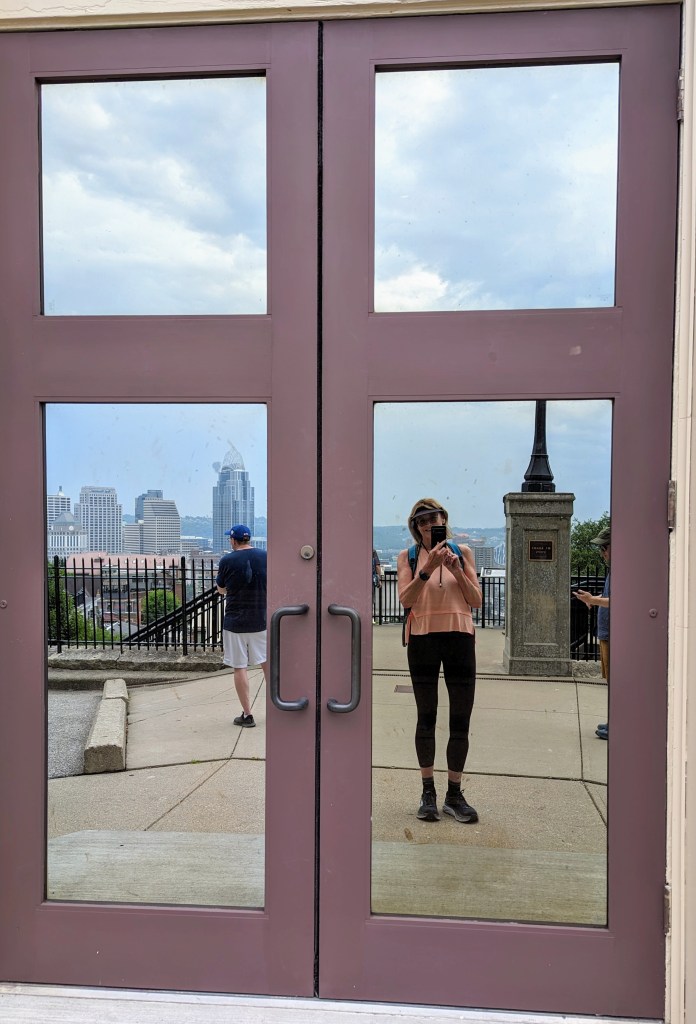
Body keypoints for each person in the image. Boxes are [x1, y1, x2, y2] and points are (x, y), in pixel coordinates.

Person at [397, 498, 483, 823]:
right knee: (426, 716)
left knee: (461, 718)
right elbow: (405, 599)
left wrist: (457, 570)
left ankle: (455, 794)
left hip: (460, 637)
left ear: (444, 520)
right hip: (423, 639)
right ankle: (428, 792)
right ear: (415, 527)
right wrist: (428, 568)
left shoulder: (463, 553)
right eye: (421, 521)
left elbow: (476, 600)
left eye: (433, 518)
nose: (428, 525)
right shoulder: (408, 557)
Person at [216, 524, 269, 728]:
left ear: (233, 540)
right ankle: (277, 708)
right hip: (261, 618)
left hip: (235, 620)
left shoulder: (227, 560)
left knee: (240, 667)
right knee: (267, 663)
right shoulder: (265, 556)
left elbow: (221, 589)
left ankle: (248, 714)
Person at [574, 525, 610, 740]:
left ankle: (617, 723)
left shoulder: (622, 569)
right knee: (611, 680)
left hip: (612, 633)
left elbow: (621, 600)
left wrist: (593, 600)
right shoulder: (613, 570)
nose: (602, 552)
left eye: (605, 547)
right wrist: (593, 600)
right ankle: (614, 720)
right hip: (606, 633)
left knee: (616, 681)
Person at [372, 548, 383, 623]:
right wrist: (379, 579)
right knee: (370, 599)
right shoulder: (373, 551)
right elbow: (377, 566)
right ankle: (371, 618)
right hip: (371, 580)